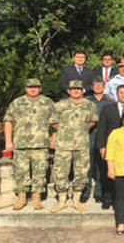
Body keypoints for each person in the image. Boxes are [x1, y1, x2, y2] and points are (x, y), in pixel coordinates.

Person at [3, 78, 57, 211]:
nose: (33, 89)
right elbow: (8, 121)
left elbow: (56, 123)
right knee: (21, 172)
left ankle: (36, 197)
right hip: (21, 144)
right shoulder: (17, 102)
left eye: (36, 87)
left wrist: (53, 139)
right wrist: (8, 141)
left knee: (40, 171)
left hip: (41, 144)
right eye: (30, 87)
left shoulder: (47, 103)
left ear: (40, 88)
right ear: (26, 88)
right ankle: (21, 197)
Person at [50, 80, 98, 213]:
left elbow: (93, 121)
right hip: (63, 144)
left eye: (79, 89)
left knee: (81, 172)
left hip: (82, 144)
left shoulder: (89, 105)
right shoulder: (60, 105)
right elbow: (53, 122)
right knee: (60, 171)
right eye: (73, 89)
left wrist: (80, 129)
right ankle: (62, 200)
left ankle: (76, 200)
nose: (76, 91)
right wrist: (68, 130)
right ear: (68, 91)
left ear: (82, 91)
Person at [81, 77, 111, 204]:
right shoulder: (86, 101)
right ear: (92, 87)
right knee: (87, 165)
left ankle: (99, 192)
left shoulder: (109, 102)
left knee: (101, 165)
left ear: (104, 87)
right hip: (89, 135)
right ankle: (86, 191)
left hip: (104, 137)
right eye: (96, 85)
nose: (98, 87)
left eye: (100, 85)